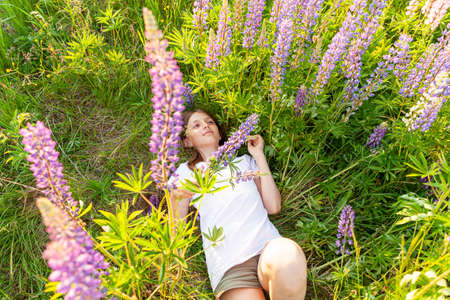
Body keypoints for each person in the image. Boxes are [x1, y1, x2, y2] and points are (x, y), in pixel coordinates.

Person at [169, 108, 307, 300]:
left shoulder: (244, 162)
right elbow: (176, 226)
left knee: (289, 257)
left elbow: (274, 206)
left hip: (267, 248)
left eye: (210, 122)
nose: (206, 126)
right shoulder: (185, 172)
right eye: (196, 125)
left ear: (219, 132)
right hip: (229, 264)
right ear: (187, 141)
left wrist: (259, 156)